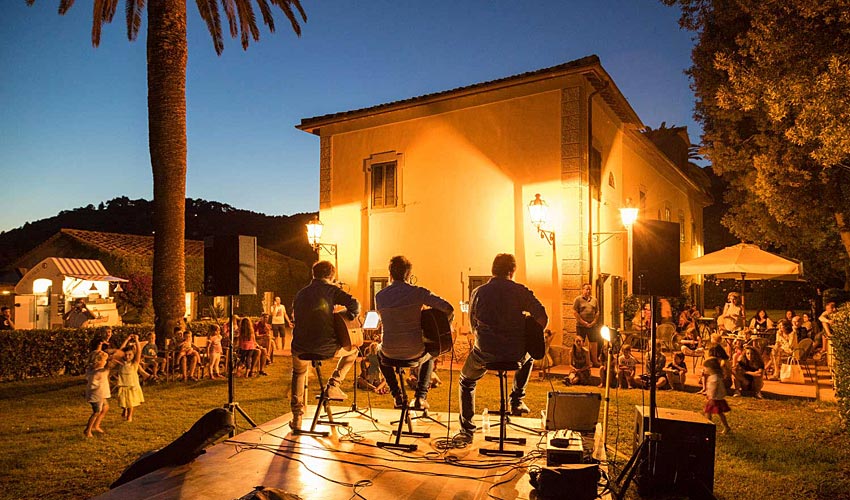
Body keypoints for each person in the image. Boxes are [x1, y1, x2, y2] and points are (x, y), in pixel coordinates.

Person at [458, 253, 548, 440]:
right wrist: (529, 331)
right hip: (514, 353)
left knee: (466, 381)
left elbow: (472, 325)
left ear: (493, 270)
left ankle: (467, 430)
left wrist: (483, 338)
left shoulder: (478, 292)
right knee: (530, 356)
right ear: (511, 271)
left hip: (485, 351)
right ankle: (516, 400)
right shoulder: (520, 291)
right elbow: (542, 317)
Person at [290, 260, 360, 431]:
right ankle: (334, 385)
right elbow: (355, 304)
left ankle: (297, 417)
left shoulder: (300, 293)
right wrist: (349, 315)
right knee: (354, 350)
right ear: (332, 275)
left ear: (314, 274)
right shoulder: (331, 290)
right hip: (326, 348)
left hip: (300, 347)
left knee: (299, 373)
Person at [376, 256, 454, 410]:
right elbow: (448, 308)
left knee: (379, 351)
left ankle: (397, 395)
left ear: (390, 274)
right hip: (414, 351)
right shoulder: (418, 292)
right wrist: (441, 325)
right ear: (409, 275)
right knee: (430, 353)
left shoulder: (379, 296)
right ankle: (420, 397)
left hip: (389, 351)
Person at [116, 334, 144, 422]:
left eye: (129, 355)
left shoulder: (134, 363)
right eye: (125, 355)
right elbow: (119, 351)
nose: (127, 357)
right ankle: (124, 410)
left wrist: (136, 340)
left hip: (132, 386)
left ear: (133, 355)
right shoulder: (121, 362)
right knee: (123, 403)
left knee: (131, 402)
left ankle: (129, 416)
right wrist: (127, 339)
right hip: (123, 385)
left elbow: (139, 351)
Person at [84, 349, 111, 437]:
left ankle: (96, 425)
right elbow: (92, 385)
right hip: (96, 395)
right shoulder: (97, 372)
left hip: (101, 394)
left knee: (105, 407)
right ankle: (88, 430)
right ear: (98, 361)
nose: (105, 362)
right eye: (104, 360)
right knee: (96, 412)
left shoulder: (99, 370)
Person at [573, 283, 600, 366]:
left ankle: (594, 361)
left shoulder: (594, 300)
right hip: (581, 326)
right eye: (586, 289)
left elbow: (597, 311)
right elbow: (575, 312)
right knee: (580, 343)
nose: (588, 291)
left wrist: (594, 322)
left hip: (592, 326)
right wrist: (583, 322)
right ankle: (581, 361)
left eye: (589, 289)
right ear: (583, 289)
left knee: (594, 343)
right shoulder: (578, 300)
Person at [702, 358, 732, 434]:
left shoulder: (714, 378)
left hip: (715, 399)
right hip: (716, 398)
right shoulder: (715, 376)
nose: (704, 369)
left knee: (709, 412)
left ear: (710, 368)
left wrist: (711, 397)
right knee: (717, 413)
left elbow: (713, 388)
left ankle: (708, 427)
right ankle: (726, 426)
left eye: (705, 367)